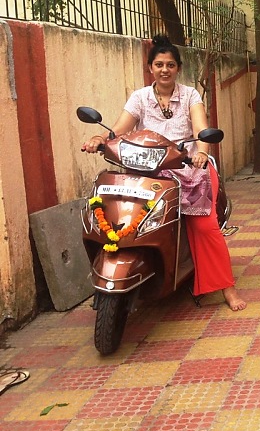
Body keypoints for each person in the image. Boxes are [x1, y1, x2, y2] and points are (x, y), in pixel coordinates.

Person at [82, 35, 247, 311]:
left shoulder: (191, 95)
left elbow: (200, 127)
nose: (164, 70)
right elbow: (119, 129)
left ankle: (226, 288)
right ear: (150, 68)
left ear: (178, 68)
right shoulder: (140, 97)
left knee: (205, 227)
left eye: (170, 65)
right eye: (159, 64)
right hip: (148, 172)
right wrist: (101, 138)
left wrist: (202, 151)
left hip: (187, 169)